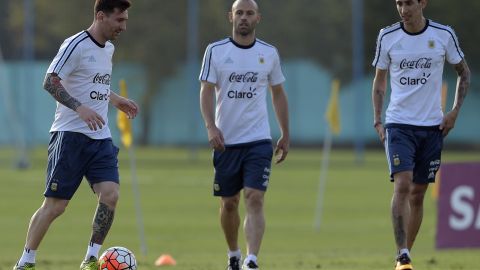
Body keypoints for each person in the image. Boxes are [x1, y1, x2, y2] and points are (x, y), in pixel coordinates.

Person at [12, 1, 138, 269]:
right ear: (101, 16)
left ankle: (91, 259)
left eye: (125, 20)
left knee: (110, 194)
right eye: (119, 20)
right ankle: (26, 261)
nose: (124, 27)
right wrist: (79, 108)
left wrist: (115, 100)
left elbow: (93, 83)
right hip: (69, 135)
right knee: (56, 206)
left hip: (100, 137)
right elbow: (50, 81)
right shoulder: (76, 45)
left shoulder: (109, 49)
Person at [371, 0, 470, 269]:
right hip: (399, 124)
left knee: (418, 193)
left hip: (432, 127)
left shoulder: (443, 35)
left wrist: (454, 113)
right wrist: (378, 121)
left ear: (422, 3)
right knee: (402, 185)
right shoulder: (387, 36)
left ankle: (405, 256)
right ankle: (403, 254)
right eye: (399, 3)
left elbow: (464, 73)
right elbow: (380, 81)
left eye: (409, 3)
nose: (404, 9)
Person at [199, 0, 289, 269]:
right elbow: (205, 91)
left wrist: (285, 132)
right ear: (231, 17)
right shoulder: (215, 51)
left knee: (254, 196)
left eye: (249, 13)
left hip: (258, 141)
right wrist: (211, 127)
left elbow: (278, 93)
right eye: (239, 13)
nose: (244, 18)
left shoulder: (269, 53)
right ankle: (234, 254)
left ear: (258, 18)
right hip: (226, 142)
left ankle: (251, 260)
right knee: (229, 203)